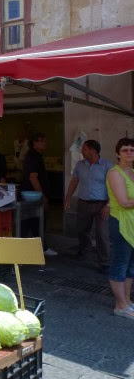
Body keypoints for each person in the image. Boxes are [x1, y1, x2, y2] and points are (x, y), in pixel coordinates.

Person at [64, 140, 112, 272]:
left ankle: (105, 262)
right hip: (83, 203)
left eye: (84, 149)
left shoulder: (107, 166)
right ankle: (84, 252)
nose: (81, 151)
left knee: (102, 234)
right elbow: (74, 182)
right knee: (82, 230)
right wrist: (68, 198)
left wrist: (108, 205)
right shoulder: (80, 165)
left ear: (93, 151)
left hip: (101, 205)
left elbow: (113, 188)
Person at [105, 137, 134, 320]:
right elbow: (123, 202)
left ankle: (128, 301)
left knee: (131, 265)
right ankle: (120, 305)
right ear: (117, 153)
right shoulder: (114, 173)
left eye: (132, 150)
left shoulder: (132, 171)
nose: (129, 153)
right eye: (125, 150)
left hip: (132, 223)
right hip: (121, 222)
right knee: (120, 263)